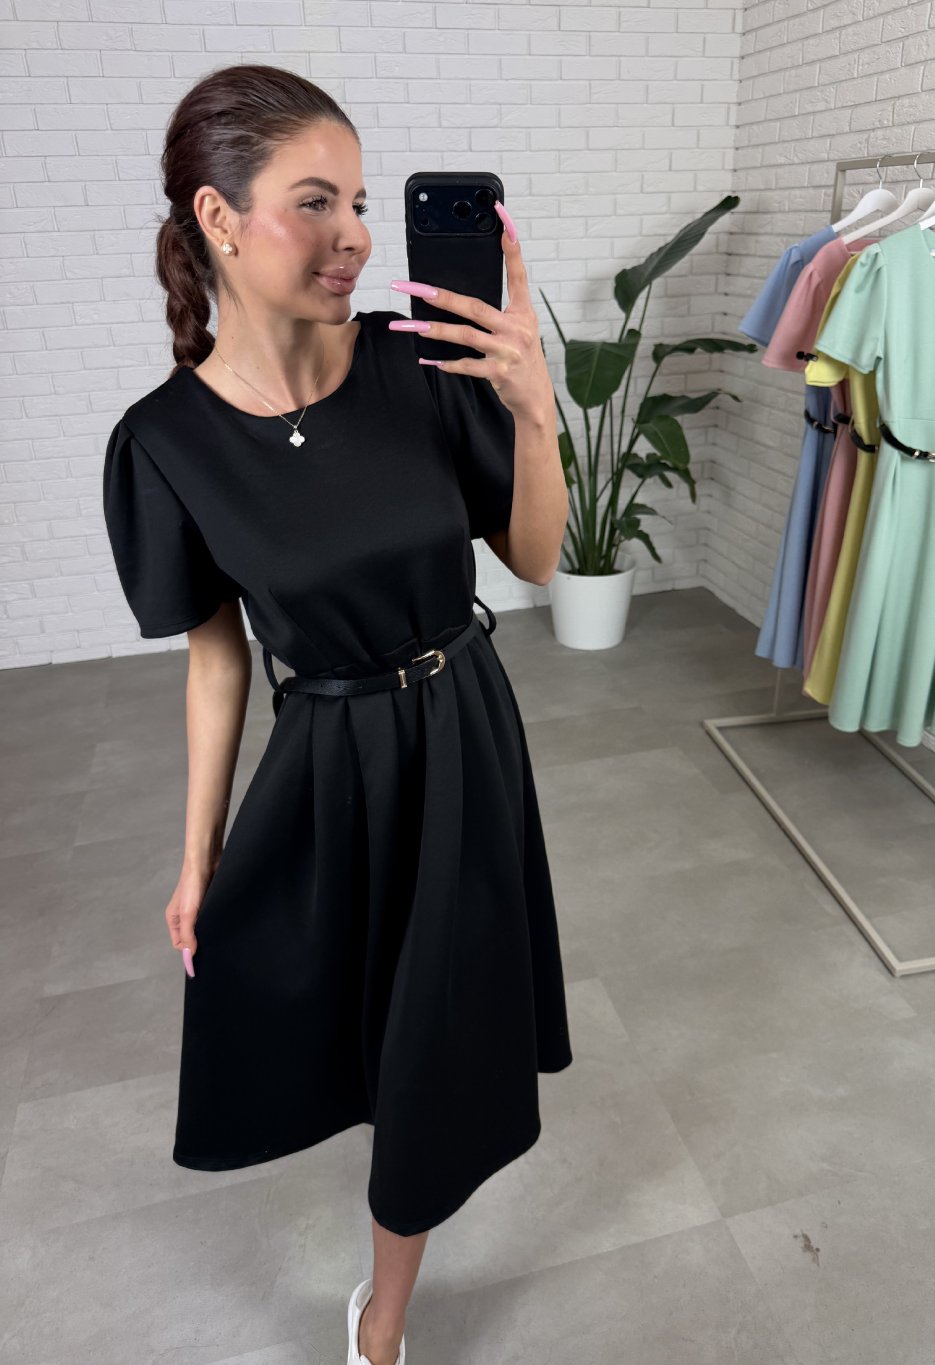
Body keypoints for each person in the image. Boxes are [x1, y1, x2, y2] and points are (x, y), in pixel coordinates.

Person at [100, 64, 574, 1365]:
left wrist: (535, 412)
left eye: (361, 202)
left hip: (462, 738)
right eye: (316, 202)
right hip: (329, 762)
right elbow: (216, 658)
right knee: (335, 1021)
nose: (356, 234)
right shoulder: (167, 444)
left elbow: (537, 557)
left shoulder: (427, 365)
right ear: (218, 217)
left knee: (430, 1050)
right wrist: (196, 852)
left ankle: (383, 1323)